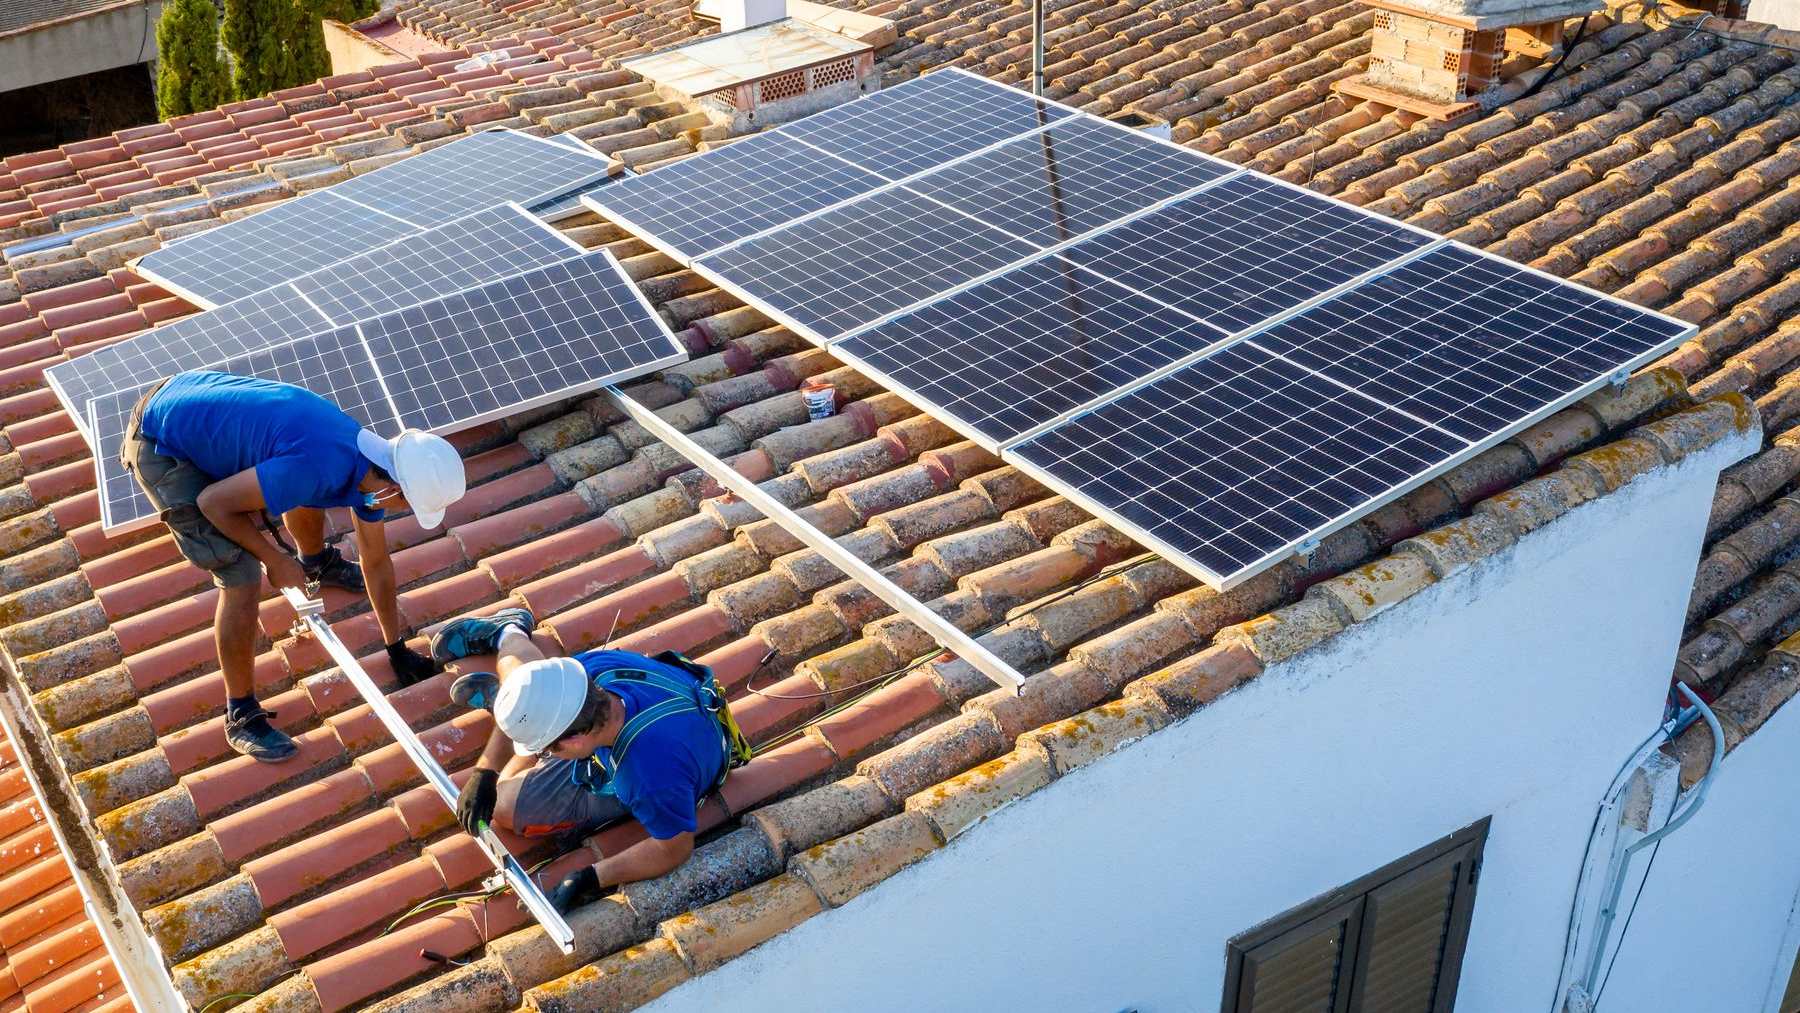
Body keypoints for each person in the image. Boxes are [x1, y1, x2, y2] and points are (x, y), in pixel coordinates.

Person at [122, 370, 466, 762]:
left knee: (301, 491)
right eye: (406, 505)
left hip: (187, 401)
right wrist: (275, 559)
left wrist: (395, 646)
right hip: (160, 439)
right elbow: (213, 503)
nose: (398, 511)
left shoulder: (371, 464)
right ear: (394, 487)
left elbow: (376, 561)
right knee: (241, 574)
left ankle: (316, 562)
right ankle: (240, 714)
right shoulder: (320, 464)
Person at [435, 607, 740, 912]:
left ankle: (512, 707)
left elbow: (674, 848)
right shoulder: (589, 672)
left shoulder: (644, 775)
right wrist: (485, 772)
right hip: (673, 715)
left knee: (503, 805)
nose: (547, 754)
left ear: (575, 740)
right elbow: (541, 687)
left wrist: (590, 878)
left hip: (674, 757)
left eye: (550, 748)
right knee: (534, 680)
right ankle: (507, 634)